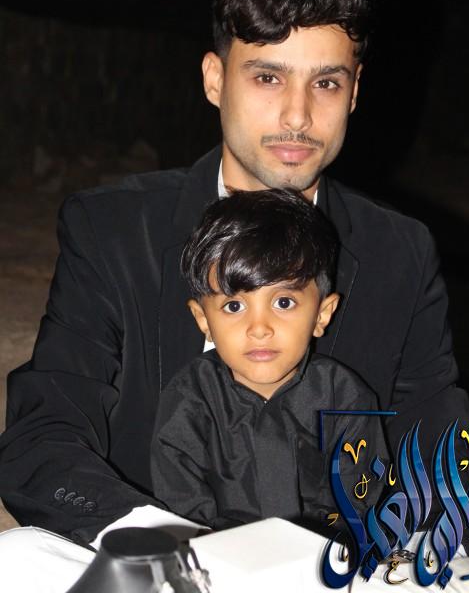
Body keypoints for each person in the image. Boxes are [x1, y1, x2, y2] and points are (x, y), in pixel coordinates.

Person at [0, 0, 469, 558]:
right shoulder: (114, 230)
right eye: (267, 77)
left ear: (355, 91)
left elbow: (440, 436)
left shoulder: (399, 250)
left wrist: (459, 545)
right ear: (215, 79)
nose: (297, 115)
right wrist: (165, 545)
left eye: (326, 83)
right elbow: (44, 432)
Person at [152, 188, 388, 534]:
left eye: (283, 303)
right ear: (203, 320)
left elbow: (360, 498)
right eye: (234, 306)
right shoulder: (190, 399)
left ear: (322, 314)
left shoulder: (345, 399)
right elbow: (181, 505)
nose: (259, 328)